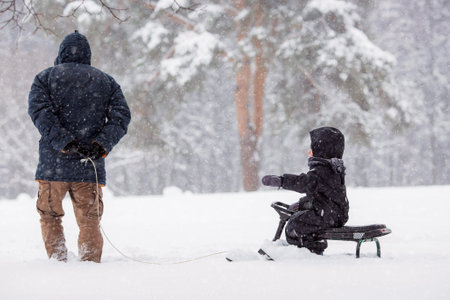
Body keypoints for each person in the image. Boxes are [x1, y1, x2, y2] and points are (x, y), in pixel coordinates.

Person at [28, 30, 131, 263]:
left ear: (61, 53)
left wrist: (64, 142)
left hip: (53, 165)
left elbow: (40, 113)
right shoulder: (106, 81)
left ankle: (57, 260)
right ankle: (89, 263)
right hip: (89, 166)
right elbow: (121, 117)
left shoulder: (44, 78)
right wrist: (100, 144)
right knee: (89, 219)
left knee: (50, 215)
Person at [262, 127, 348, 255]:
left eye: (311, 150)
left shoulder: (322, 171)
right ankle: (309, 246)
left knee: (294, 225)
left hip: (327, 216)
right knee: (301, 220)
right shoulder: (331, 170)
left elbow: (304, 183)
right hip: (332, 214)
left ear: (321, 150)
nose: (309, 153)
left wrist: (282, 181)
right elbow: (321, 196)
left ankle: (309, 251)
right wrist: (301, 204)